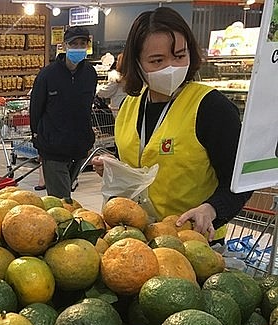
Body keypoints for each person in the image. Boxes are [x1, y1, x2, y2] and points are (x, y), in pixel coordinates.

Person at [91, 7, 251, 242]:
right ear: (137, 63)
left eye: (179, 55)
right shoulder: (129, 105)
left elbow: (240, 181)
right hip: (138, 237)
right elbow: (143, 163)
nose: (171, 67)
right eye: (157, 60)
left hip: (194, 242)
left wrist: (212, 208)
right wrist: (116, 169)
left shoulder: (211, 108)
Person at [29, 26, 97, 200]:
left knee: (64, 197)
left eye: (83, 43)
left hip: (79, 146)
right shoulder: (48, 74)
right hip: (53, 147)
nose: (78, 47)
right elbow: (36, 109)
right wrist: (38, 139)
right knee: (61, 199)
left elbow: (87, 107)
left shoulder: (90, 73)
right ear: (65, 45)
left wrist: (88, 139)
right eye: (74, 43)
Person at [96, 53, 126, 117]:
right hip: (130, 107)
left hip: (118, 108)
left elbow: (106, 92)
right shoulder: (134, 76)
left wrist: (97, 89)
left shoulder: (116, 77)